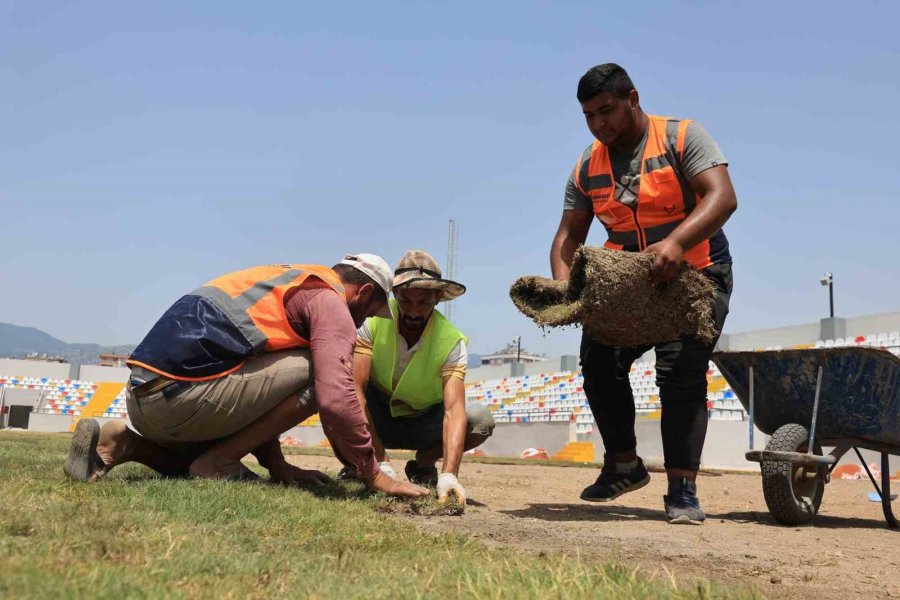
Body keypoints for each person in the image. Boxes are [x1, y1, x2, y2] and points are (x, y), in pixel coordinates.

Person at [63, 254, 429, 499]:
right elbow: (335, 397)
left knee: (197, 465)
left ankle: (121, 443)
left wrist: (276, 465)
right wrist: (374, 474)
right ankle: (219, 462)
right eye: (369, 312)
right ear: (363, 292)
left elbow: (252, 383)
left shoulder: (288, 280)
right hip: (184, 398)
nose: (362, 324)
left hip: (147, 397)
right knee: (322, 367)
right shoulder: (329, 301)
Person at [550, 63, 737, 524]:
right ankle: (624, 465)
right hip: (629, 282)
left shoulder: (681, 137)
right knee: (598, 360)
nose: (599, 124)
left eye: (607, 111)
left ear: (633, 98)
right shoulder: (585, 166)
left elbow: (722, 196)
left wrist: (676, 242)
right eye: (589, 116)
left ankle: (682, 491)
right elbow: (566, 240)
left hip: (696, 274)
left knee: (680, 374)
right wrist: (564, 288)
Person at [342, 250, 495, 505]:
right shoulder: (372, 322)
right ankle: (360, 464)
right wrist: (380, 461)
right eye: (405, 301)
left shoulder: (452, 341)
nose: (413, 312)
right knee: (338, 394)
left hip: (425, 421)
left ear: (437, 298)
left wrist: (450, 474)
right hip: (377, 416)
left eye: (423, 302)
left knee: (480, 420)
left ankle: (425, 463)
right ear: (394, 295)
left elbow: (454, 409)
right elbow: (356, 390)